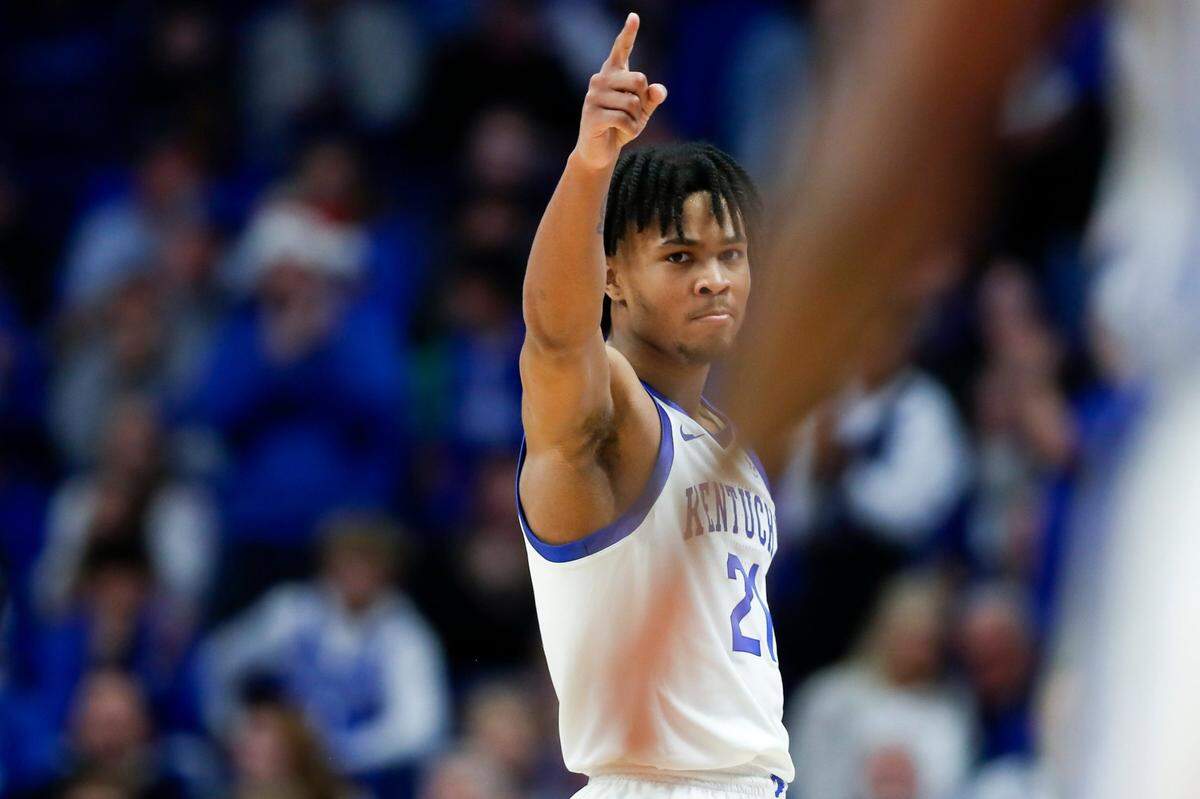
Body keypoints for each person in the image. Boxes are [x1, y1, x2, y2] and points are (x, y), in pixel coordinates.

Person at [516, 13, 791, 798]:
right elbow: (555, 338)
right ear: (611, 276)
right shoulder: (615, 419)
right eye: (680, 256)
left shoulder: (726, 439)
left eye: (731, 255)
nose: (714, 279)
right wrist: (590, 164)